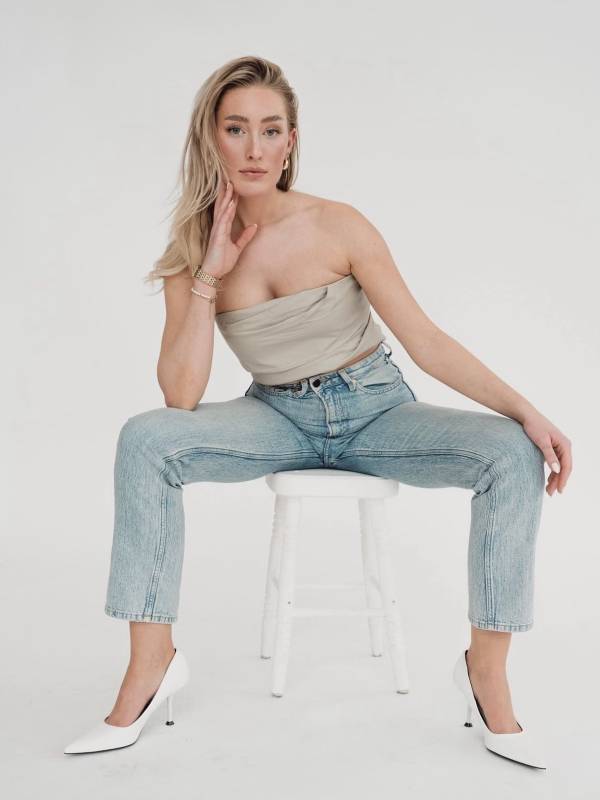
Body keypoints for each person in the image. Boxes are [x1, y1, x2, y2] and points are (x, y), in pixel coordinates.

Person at [64, 56, 572, 763]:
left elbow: (424, 340)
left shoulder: (338, 225)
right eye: (235, 128)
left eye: (270, 130)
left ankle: (485, 674)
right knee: (145, 440)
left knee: (513, 451)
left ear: (291, 141)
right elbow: (180, 398)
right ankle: (151, 665)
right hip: (275, 418)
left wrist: (527, 411)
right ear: (211, 137)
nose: (253, 148)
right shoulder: (191, 253)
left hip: (377, 413)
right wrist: (209, 272)